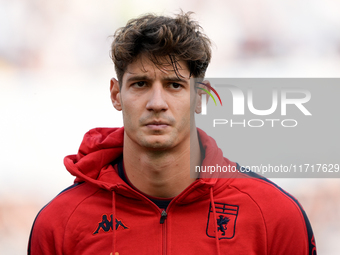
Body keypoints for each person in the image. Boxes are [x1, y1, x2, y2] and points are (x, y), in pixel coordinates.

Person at [28, 12, 317, 255]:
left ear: (201, 97)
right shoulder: (60, 222)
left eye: (174, 85)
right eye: (140, 84)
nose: (156, 103)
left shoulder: (274, 215)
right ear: (116, 95)